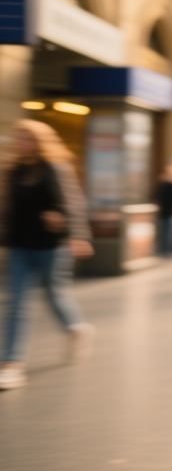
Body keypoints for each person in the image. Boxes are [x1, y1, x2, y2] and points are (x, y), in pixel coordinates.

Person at [0, 120, 96, 390]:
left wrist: (75, 233)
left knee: (55, 296)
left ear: (39, 142)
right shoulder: (13, 171)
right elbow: (6, 208)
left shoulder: (55, 168)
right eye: (19, 138)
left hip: (52, 247)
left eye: (26, 138)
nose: (20, 143)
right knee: (17, 304)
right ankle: (12, 364)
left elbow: (74, 204)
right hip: (20, 246)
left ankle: (77, 329)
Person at [154, 165, 172, 257]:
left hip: (161, 213)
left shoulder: (160, 184)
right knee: (168, 235)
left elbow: (155, 198)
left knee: (163, 234)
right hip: (170, 213)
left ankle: (163, 252)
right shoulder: (171, 185)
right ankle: (166, 253)